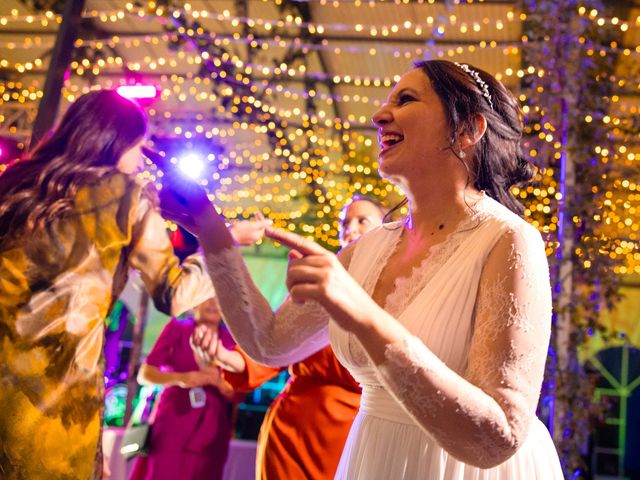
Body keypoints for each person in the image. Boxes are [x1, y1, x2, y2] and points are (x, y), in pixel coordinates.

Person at [160, 59, 564, 479]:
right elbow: (269, 343)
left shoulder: (509, 240)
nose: (378, 116)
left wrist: (360, 312)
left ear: (467, 130)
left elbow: (498, 436)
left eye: (405, 99)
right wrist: (209, 230)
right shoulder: (368, 249)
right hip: (375, 457)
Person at [0, 90, 270, 479]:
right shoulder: (124, 196)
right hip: (54, 403)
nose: (140, 159)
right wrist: (225, 239)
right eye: (139, 147)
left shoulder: (18, 182)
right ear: (118, 142)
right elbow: (175, 295)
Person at [198, 196, 386, 480]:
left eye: (362, 221)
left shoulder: (393, 286)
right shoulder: (317, 279)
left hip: (355, 430)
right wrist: (226, 356)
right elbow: (273, 347)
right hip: (292, 430)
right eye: (344, 223)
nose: (351, 229)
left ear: (387, 228)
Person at [131, 297, 239, 480]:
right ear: (196, 303)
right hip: (173, 423)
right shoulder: (178, 329)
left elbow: (240, 394)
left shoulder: (231, 341)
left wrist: (220, 383)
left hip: (212, 431)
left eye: (218, 299)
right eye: (207, 298)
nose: (213, 304)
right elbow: (144, 374)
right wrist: (182, 378)